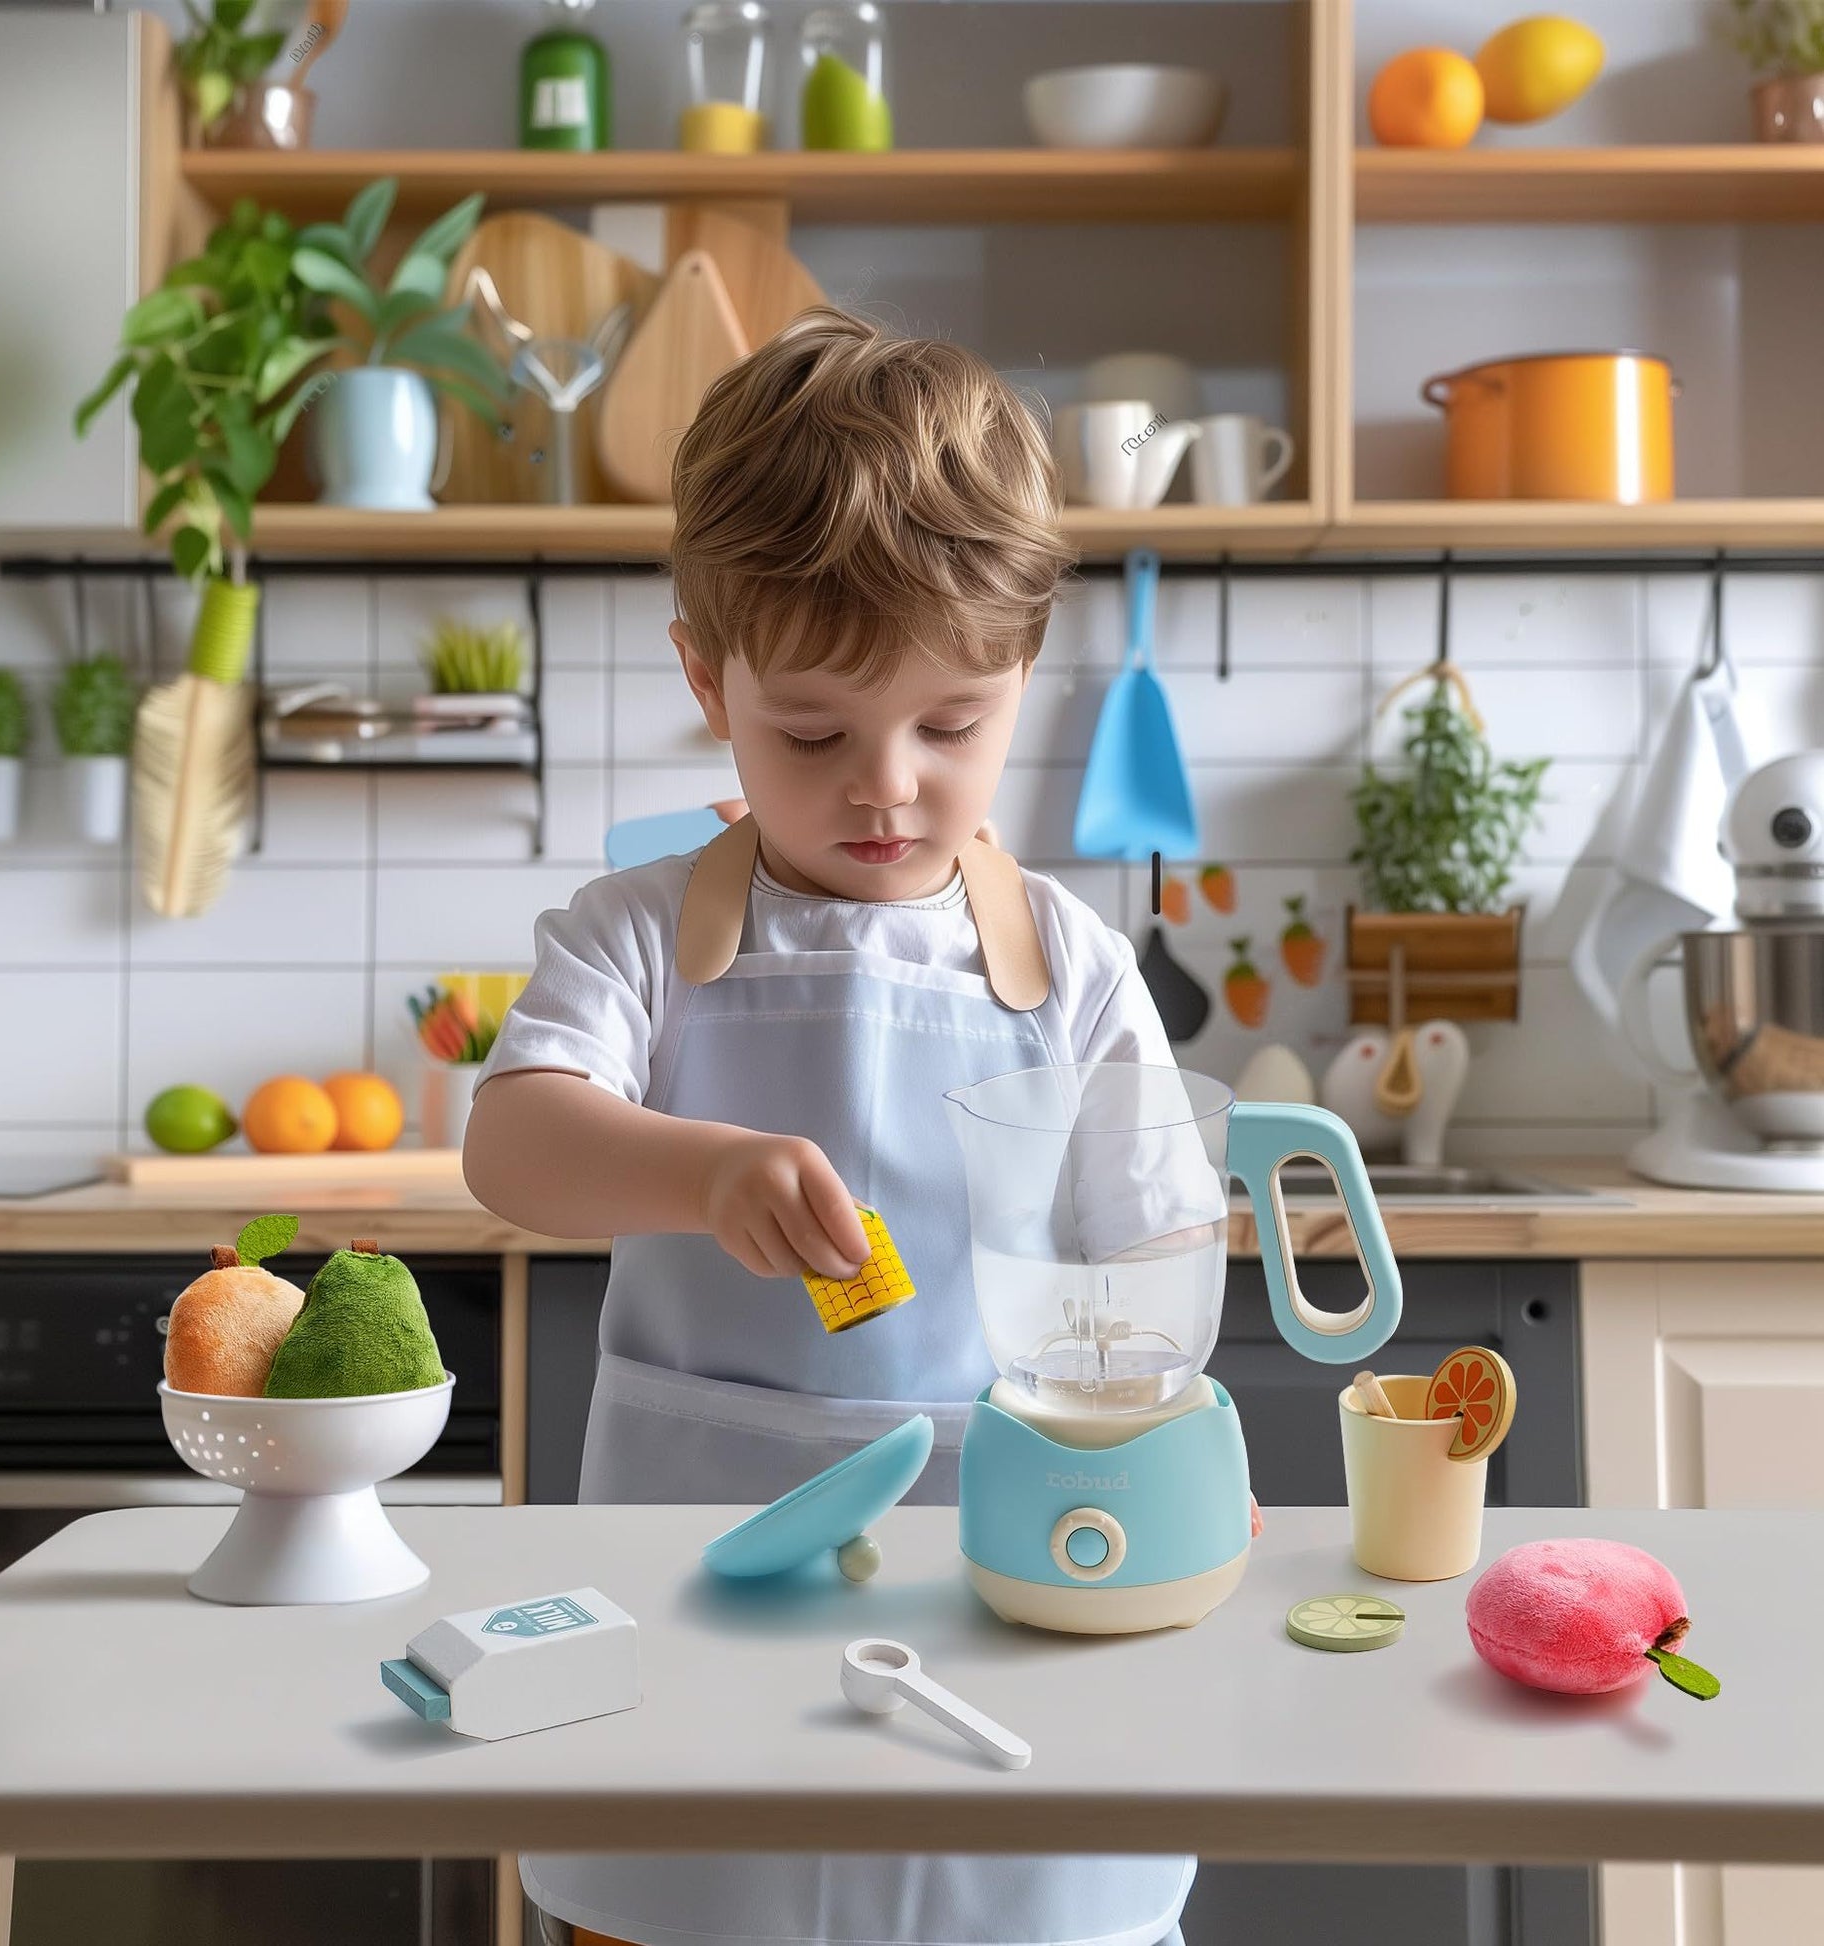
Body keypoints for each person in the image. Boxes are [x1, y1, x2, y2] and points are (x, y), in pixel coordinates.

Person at [463, 307, 1251, 1946]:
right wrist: (698, 1168)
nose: (884, 786)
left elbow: (1167, 1237)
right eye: (812, 733)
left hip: (1007, 1586)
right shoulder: (635, 935)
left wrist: (1160, 1396)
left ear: (1021, 676)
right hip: (695, 1595)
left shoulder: (1070, 961)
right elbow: (516, 1143)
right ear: (709, 680)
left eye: (950, 726)